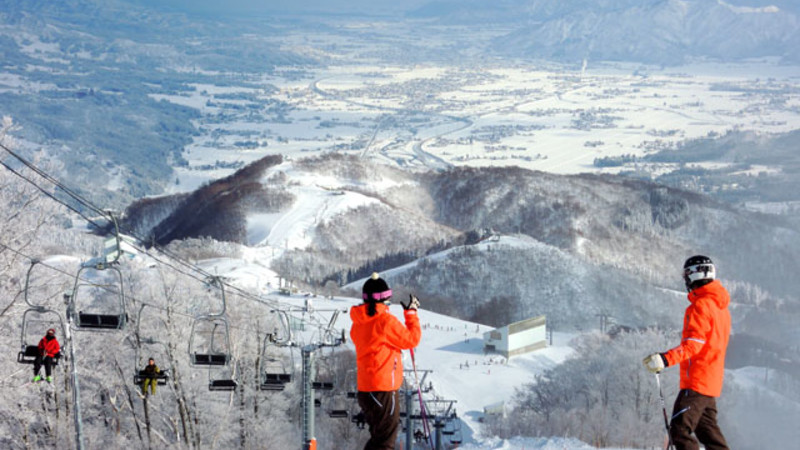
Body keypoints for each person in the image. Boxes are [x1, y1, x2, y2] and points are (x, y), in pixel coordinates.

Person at [643, 255, 731, 450]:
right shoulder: (720, 308)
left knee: (679, 430)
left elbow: (693, 345)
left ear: (697, 274)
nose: (685, 280)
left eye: (687, 275)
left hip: (697, 382)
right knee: (710, 436)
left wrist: (664, 359)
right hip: (710, 381)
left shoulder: (700, 306)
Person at [350, 273, 421, 450]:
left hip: (366, 389)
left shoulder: (358, 323)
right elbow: (411, 339)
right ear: (384, 298)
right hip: (383, 388)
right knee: (385, 441)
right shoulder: (385, 321)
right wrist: (411, 313)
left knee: (379, 438)